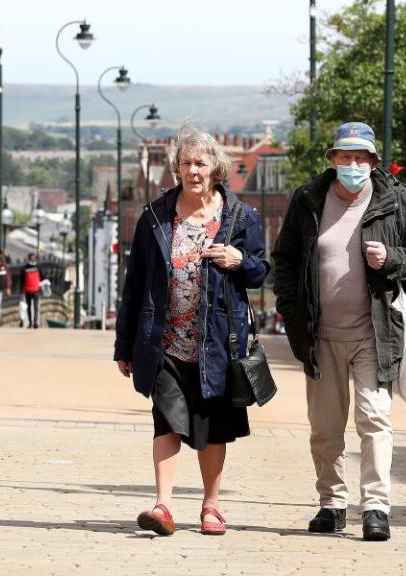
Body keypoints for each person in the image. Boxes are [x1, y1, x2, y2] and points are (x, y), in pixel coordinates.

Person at [272, 121, 406, 541]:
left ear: (374, 162)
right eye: (346, 157)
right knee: (324, 426)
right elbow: (285, 259)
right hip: (320, 334)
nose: (353, 165)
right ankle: (332, 503)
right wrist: (290, 312)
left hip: (374, 332)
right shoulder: (308, 199)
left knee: (374, 419)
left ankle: (376, 507)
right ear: (333, 160)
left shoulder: (397, 200)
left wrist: (392, 258)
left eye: (361, 158)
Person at [114, 125, 270, 536]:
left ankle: (211, 506)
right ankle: (163, 505)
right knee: (166, 419)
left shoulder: (240, 218)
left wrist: (238, 260)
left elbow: (260, 271)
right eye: (185, 163)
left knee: (213, 425)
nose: (193, 170)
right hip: (164, 340)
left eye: (200, 162)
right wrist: (124, 344)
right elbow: (134, 284)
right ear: (176, 168)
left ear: (215, 168)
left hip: (218, 341)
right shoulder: (155, 218)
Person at [21, 253, 44, 329]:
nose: (32, 259)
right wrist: (22, 289)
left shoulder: (38, 267)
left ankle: (35, 322)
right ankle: (30, 322)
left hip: (36, 289)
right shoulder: (24, 268)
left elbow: (42, 277)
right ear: (29, 258)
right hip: (27, 290)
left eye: (34, 258)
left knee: (36, 306)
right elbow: (22, 280)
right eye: (31, 258)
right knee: (29, 307)